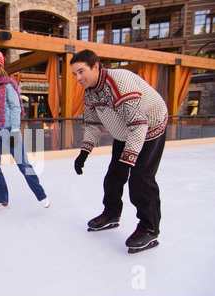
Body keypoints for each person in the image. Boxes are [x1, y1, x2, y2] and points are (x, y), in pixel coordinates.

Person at [70, 50, 168, 254]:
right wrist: (84, 152)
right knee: (113, 177)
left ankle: (150, 228)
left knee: (141, 180)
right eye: (75, 74)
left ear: (96, 66)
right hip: (126, 131)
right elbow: (93, 124)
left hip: (150, 127)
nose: (78, 78)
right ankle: (112, 214)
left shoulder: (119, 82)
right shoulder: (90, 92)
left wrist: (128, 161)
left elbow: (139, 125)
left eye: (81, 71)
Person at [0, 50, 49, 210]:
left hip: (9, 130)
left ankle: (40, 194)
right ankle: (0, 197)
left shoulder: (8, 85)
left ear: (0, 66)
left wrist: (15, 129)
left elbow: (15, 107)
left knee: (23, 164)